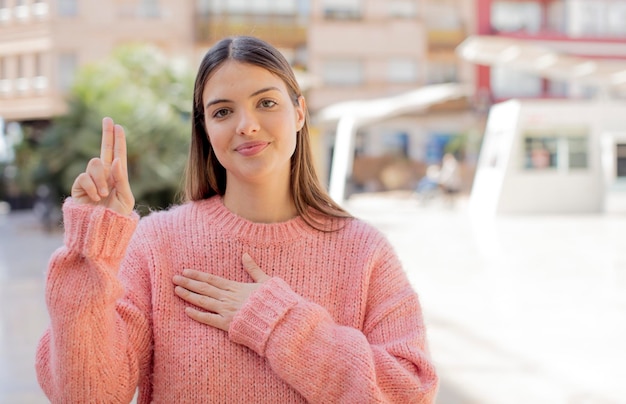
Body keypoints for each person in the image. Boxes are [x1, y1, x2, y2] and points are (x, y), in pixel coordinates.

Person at [35, 35, 438, 403]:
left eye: (266, 103)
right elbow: (87, 396)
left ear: (299, 112)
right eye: (223, 111)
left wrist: (277, 322)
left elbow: (411, 393)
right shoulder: (157, 245)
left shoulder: (364, 252)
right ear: (206, 129)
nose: (246, 125)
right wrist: (91, 252)